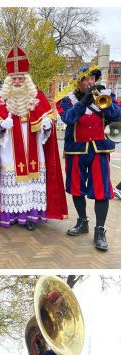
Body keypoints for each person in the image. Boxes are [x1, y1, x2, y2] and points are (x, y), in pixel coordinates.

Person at [0, 46, 68, 230]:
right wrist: (1, 126)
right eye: (13, 78)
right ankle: (12, 215)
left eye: (20, 78)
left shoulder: (36, 94)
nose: (17, 81)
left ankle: (30, 216)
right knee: (12, 179)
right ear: (9, 79)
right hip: (10, 148)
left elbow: (47, 117)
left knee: (31, 180)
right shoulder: (2, 98)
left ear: (26, 78)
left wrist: (46, 125)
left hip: (33, 145)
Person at [56, 65, 122, 250]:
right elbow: (68, 119)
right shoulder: (66, 100)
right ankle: (82, 222)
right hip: (76, 149)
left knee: (102, 190)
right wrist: (83, 102)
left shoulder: (107, 95)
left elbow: (119, 115)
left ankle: (100, 230)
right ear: (79, 82)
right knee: (77, 188)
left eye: (93, 78)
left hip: (99, 149)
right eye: (86, 79)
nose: (90, 82)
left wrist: (107, 102)